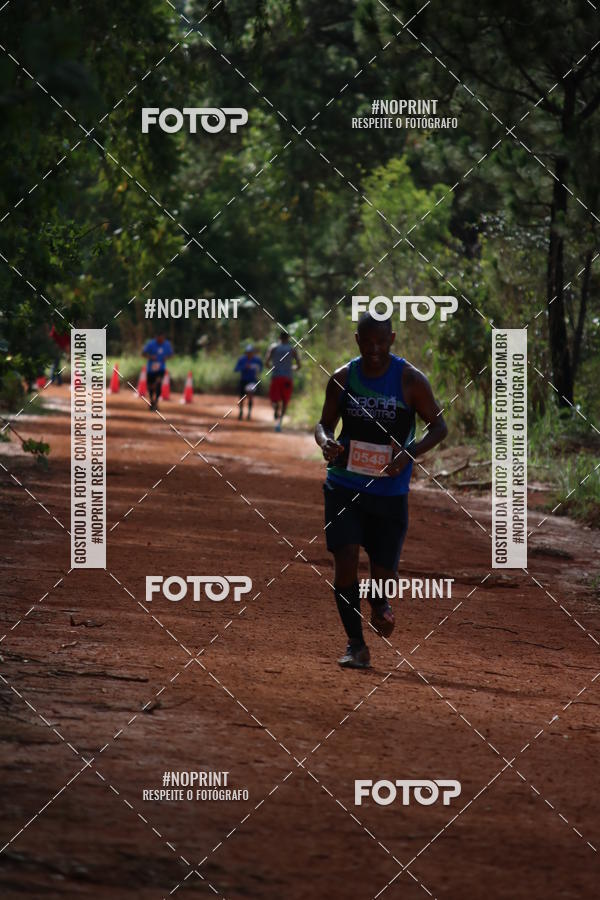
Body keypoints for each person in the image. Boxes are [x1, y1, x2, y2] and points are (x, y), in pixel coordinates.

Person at [315, 312, 448, 669]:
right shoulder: (343, 378)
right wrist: (326, 443)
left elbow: (439, 427)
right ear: (357, 340)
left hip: (389, 493)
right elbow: (323, 424)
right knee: (345, 562)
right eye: (367, 342)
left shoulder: (410, 380)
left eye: (381, 342)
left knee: (383, 576)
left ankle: (379, 602)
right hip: (344, 485)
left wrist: (409, 453)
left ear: (392, 339)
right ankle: (356, 645)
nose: (374, 349)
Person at [265, 330, 301, 432]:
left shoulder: (273, 347)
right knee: (285, 400)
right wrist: (291, 368)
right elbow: (299, 365)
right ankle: (279, 423)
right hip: (287, 378)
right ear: (288, 338)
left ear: (279, 338)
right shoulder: (292, 349)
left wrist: (274, 368)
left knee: (274, 399)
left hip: (276, 376)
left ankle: (276, 408)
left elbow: (266, 362)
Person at [142, 333, 173, 411]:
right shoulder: (151, 344)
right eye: (159, 339)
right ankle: (151, 400)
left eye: (162, 339)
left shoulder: (167, 344)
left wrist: (166, 357)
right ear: (156, 337)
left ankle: (156, 401)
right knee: (151, 386)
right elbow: (143, 353)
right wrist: (150, 357)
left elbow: (171, 354)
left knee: (158, 383)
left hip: (161, 369)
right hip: (151, 369)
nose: (161, 340)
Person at [234, 344, 263, 420]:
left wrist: (257, 370)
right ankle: (241, 412)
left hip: (252, 381)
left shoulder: (257, 360)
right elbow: (236, 369)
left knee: (250, 396)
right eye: (248, 352)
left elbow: (261, 369)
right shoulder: (242, 359)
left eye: (250, 352)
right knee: (241, 398)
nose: (249, 354)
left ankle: (249, 413)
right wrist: (244, 367)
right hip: (243, 380)